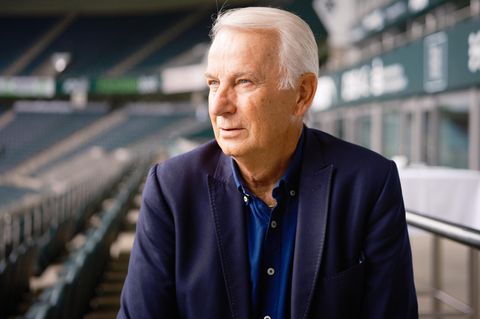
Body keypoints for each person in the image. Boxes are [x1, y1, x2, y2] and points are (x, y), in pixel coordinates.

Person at [118, 7, 418, 319]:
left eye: (243, 81)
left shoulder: (370, 184)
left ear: (302, 94)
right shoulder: (170, 188)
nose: (219, 105)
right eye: (212, 83)